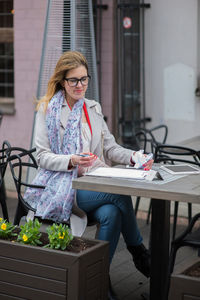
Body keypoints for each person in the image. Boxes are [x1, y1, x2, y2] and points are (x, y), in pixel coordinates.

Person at [24, 51, 153, 300]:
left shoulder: (92, 108)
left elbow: (110, 148)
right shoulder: (47, 109)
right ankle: (140, 252)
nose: (80, 85)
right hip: (61, 185)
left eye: (84, 79)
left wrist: (134, 157)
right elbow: (42, 157)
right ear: (63, 81)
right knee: (120, 195)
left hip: (92, 184)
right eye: (74, 80)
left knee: (112, 213)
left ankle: (97, 281)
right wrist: (71, 161)